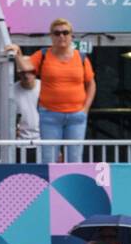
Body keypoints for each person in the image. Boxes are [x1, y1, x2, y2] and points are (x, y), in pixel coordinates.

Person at [16, 18, 95, 164]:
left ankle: (72, 186)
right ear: (51, 36)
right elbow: (26, 68)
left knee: (75, 159)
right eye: (57, 33)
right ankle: (51, 186)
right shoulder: (43, 54)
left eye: (65, 33)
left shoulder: (81, 57)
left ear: (71, 36)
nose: (61, 36)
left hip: (77, 116)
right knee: (49, 159)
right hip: (50, 116)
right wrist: (17, 53)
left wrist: (86, 109)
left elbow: (91, 84)